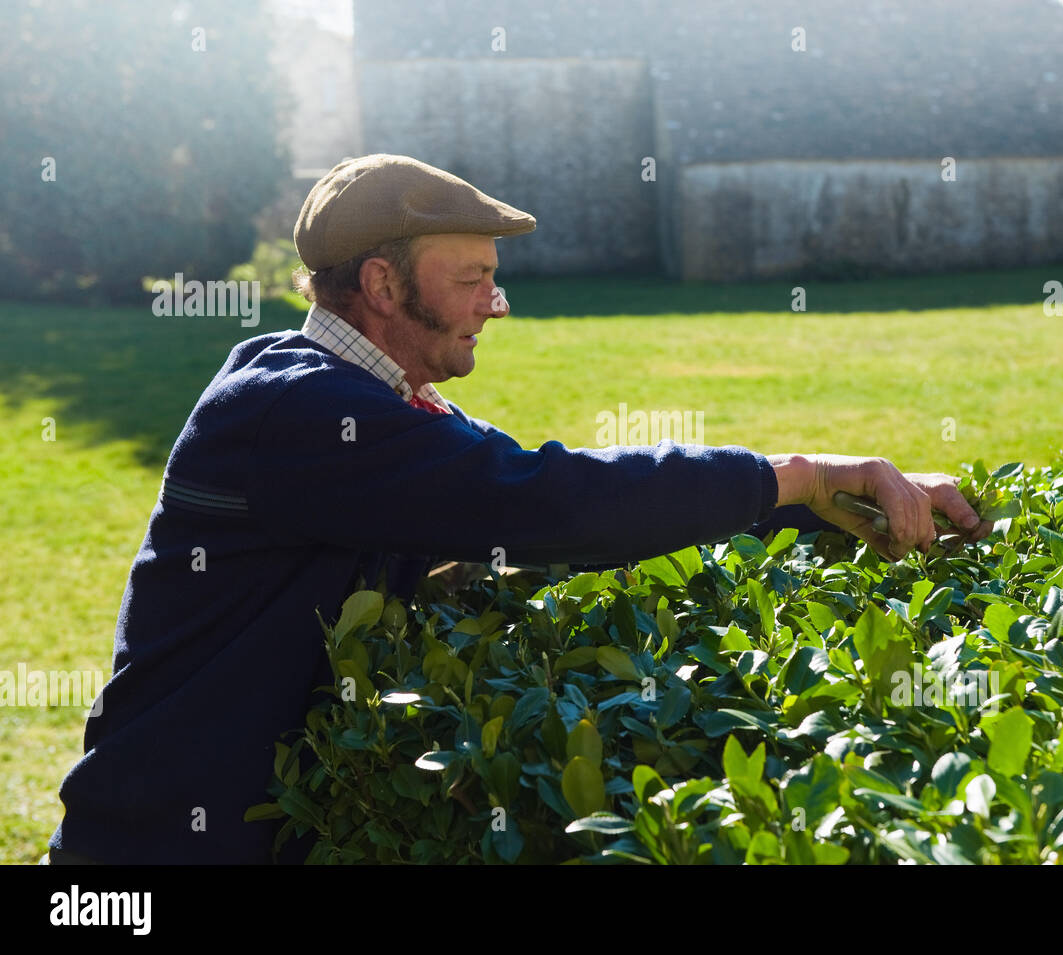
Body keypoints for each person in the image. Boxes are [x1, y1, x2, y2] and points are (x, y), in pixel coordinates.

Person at [47, 154, 991, 864]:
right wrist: (800, 473)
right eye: (473, 278)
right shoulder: (300, 410)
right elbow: (546, 503)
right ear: (381, 286)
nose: (497, 303)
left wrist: (824, 504)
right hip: (154, 850)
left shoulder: (379, 404)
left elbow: (566, 513)